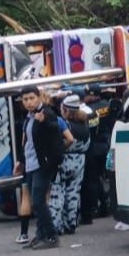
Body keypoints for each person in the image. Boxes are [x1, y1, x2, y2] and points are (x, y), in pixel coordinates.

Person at [14, 89, 65, 250]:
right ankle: (41, 234)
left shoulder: (47, 113)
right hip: (30, 164)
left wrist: (44, 122)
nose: (28, 102)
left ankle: (51, 236)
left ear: (39, 98)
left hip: (43, 165)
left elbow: (55, 129)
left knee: (38, 201)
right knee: (36, 201)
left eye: (31, 98)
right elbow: (27, 143)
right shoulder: (28, 118)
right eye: (25, 99)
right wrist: (20, 161)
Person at [49, 95, 90, 236]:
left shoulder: (64, 125)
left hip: (64, 160)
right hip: (80, 161)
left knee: (57, 193)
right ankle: (71, 223)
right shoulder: (84, 123)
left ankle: (56, 225)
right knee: (73, 193)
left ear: (66, 110)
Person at [81, 87, 122, 224]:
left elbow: (90, 128)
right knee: (110, 177)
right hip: (107, 145)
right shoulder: (107, 105)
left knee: (94, 179)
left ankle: (99, 205)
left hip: (93, 148)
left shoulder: (87, 110)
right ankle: (111, 203)